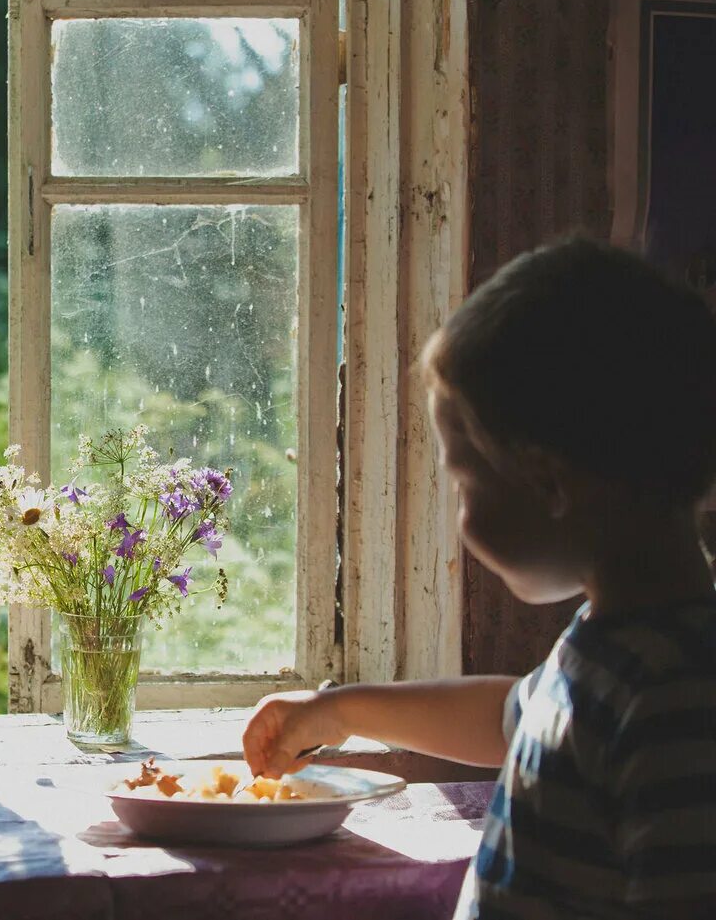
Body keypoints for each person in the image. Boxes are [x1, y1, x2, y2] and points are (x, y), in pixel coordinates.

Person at [243, 239, 716, 918]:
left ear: (549, 480)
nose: (460, 514)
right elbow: (506, 718)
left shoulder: (677, 698)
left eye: (465, 481)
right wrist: (336, 709)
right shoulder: (615, 646)